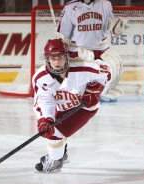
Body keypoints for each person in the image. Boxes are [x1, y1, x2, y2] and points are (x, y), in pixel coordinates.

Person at [32, 38, 121, 173]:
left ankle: (56, 160)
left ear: (67, 56)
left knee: (55, 132)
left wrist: (95, 90)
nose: (56, 62)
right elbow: (44, 101)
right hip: (62, 107)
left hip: (84, 107)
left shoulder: (82, 67)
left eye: (60, 57)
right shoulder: (41, 78)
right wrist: (45, 119)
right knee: (49, 127)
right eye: (53, 58)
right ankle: (62, 153)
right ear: (47, 58)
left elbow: (106, 71)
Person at [56, 0, 128, 102]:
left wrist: (115, 26)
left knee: (111, 69)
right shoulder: (70, 7)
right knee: (77, 85)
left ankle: (101, 92)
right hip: (78, 51)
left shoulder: (105, 4)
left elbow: (110, 23)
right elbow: (63, 35)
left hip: (102, 50)